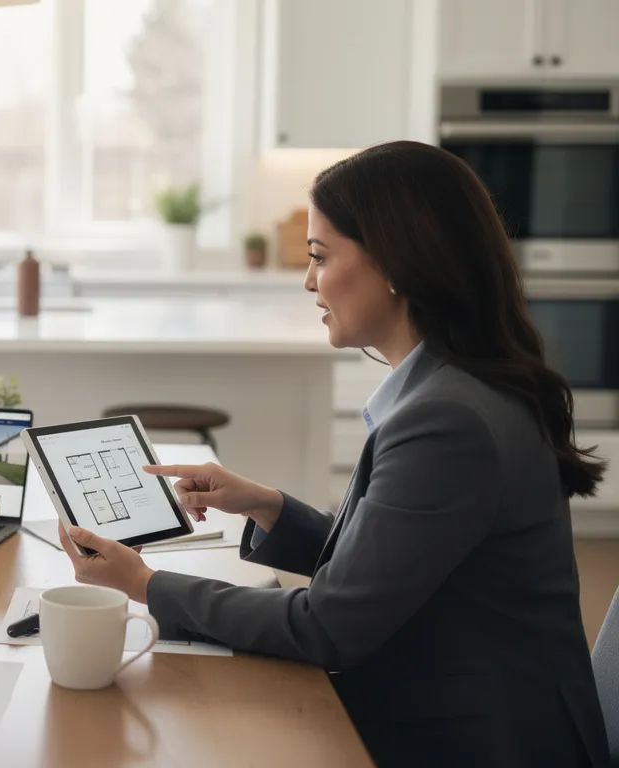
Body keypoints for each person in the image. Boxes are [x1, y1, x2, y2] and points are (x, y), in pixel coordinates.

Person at [58, 141, 610, 766]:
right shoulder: (455, 387)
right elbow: (389, 570)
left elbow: (329, 626)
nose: (309, 279)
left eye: (321, 256)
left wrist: (145, 584)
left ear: (397, 263)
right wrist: (265, 505)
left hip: (480, 740)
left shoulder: (446, 420)